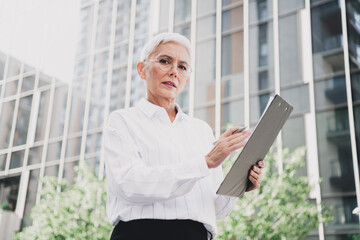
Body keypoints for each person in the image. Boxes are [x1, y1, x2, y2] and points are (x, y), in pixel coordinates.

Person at [103, 32, 265, 240]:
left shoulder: (201, 130)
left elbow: (216, 209)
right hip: (140, 234)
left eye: (182, 67)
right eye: (164, 61)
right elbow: (129, 184)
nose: (173, 72)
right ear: (142, 69)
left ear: (186, 79)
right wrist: (205, 162)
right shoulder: (122, 121)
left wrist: (239, 184)